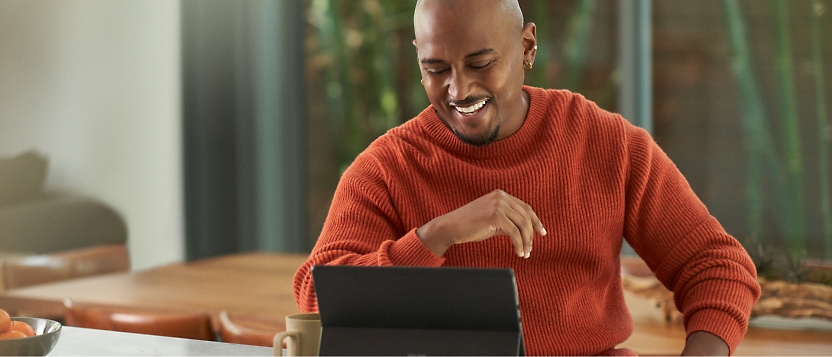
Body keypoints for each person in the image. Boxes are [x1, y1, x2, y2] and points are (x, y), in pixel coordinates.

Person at [294, 0, 761, 355]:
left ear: (527, 46)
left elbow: (716, 266)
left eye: (481, 64)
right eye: (436, 70)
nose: (459, 90)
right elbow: (317, 296)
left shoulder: (605, 143)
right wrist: (439, 234)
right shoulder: (387, 167)